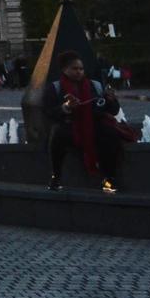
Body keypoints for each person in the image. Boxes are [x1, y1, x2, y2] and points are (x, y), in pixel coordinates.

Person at [45, 50, 126, 193]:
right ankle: (56, 176)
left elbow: (112, 110)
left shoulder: (95, 85)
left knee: (110, 136)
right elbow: (49, 111)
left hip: (93, 124)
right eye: (74, 69)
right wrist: (67, 107)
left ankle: (109, 177)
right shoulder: (55, 87)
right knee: (57, 135)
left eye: (81, 69)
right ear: (64, 70)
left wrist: (111, 100)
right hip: (70, 125)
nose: (79, 72)